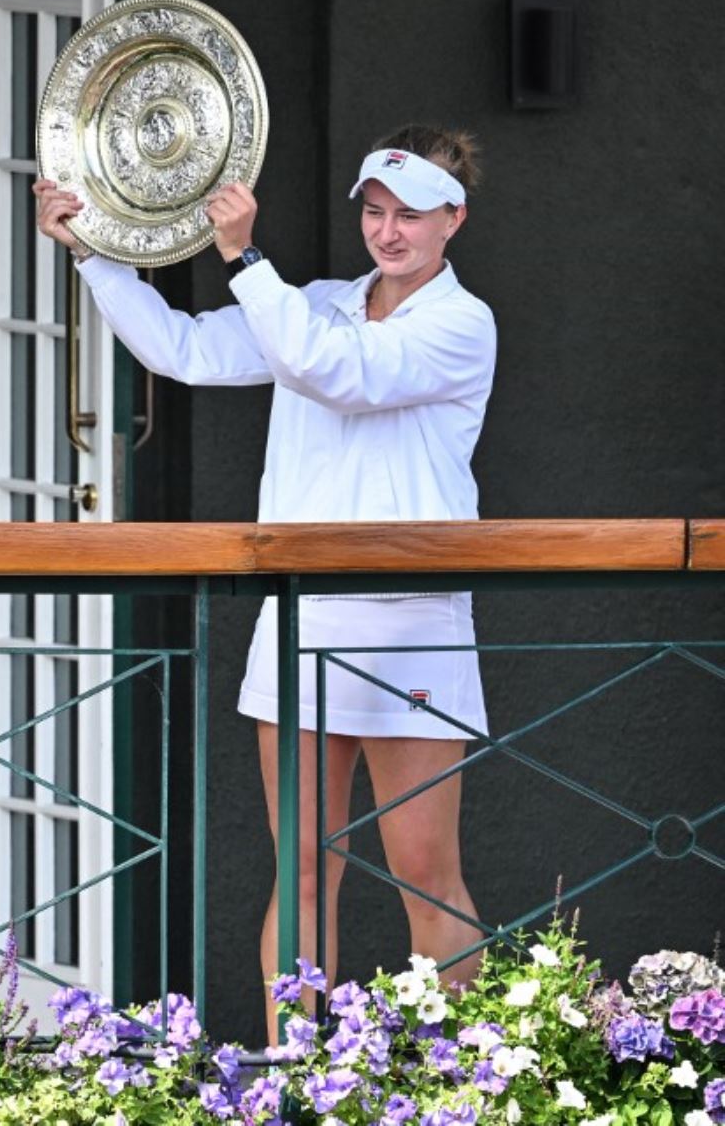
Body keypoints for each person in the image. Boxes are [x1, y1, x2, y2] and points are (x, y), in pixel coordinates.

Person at [34, 125, 495, 1043]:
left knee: (423, 870)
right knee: (304, 872)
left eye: (410, 214)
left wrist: (245, 256)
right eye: (374, 211)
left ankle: (461, 1081)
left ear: (455, 218)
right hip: (301, 616)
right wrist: (92, 254)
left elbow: (339, 375)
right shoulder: (315, 303)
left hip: (410, 624)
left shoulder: (462, 322)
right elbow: (185, 351)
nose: (389, 232)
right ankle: (296, 1076)